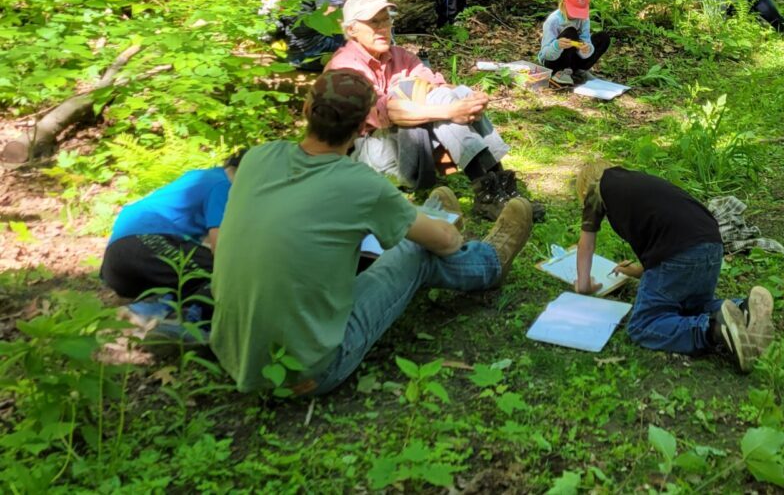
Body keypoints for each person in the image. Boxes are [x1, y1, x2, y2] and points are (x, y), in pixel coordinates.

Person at [211, 69, 534, 396]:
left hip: (232, 354)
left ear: (307, 109)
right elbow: (447, 243)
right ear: (364, 124)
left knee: (376, 240)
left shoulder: (257, 158)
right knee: (418, 250)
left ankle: (431, 216)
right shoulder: (360, 184)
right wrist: (438, 231)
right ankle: (490, 260)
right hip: (308, 372)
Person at [326, 0, 541, 220]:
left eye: (386, 19)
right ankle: (489, 192)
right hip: (369, 158)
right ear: (351, 30)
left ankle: (499, 188)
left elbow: (439, 86)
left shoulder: (399, 56)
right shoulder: (346, 66)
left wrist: (471, 101)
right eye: (373, 22)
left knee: (459, 93)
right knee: (443, 103)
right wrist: (452, 111)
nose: (382, 28)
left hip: (411, 147)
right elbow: (389, 113)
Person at [572, 160, 775, 372]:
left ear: (585, 188)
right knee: (691, 308)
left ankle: (714, 329)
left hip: (679, 253)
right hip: (712, 245)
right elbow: (667, 234)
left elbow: (586, 244)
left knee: (642, 325)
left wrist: (584, 285)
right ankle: (743, 309)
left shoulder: (596, 187)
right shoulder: (639, 183)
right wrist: (637, 270)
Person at [101, 150, 246, 330]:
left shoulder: (204, 176)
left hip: (120, 263)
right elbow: (221, 247)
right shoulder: (223, 185)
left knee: (195, 273)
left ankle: (151, 308)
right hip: (144, 244)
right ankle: (182, 323)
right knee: (231, 273)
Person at [538, 0, 612, 87]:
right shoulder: (553, 21)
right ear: (564, 3)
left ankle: (578, 71)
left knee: (603, 38)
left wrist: (586, 49)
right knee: (570, 31)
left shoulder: (584, 19)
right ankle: (562, 72)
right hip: (554, 61)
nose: (577, 15)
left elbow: (586, 41)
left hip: (573, 58)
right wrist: (557, 45)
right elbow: (546, 55)